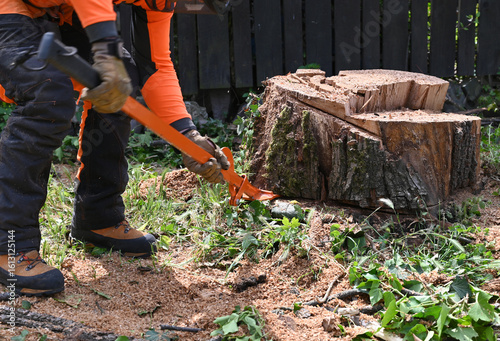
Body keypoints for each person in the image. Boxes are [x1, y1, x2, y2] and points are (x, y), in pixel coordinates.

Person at [0, 0, 231, 296]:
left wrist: (187, 134)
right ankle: (10, 247)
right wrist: (106, 54)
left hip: (51, 11)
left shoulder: (161, 2)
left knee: (126, 82)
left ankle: (97, 217)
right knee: (47, 92)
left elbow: (156, 68)